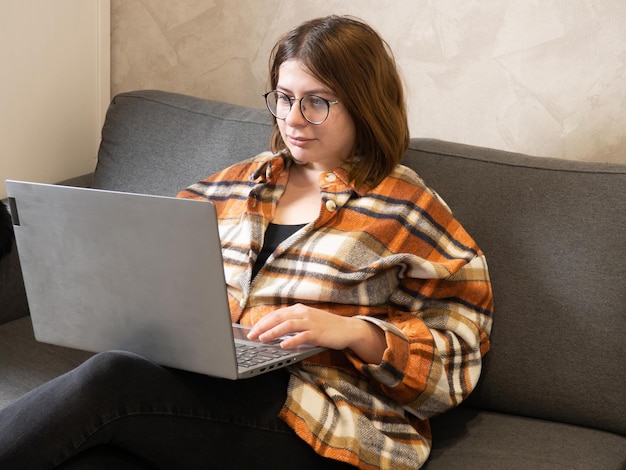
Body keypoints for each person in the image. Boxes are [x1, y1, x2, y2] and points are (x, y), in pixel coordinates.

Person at [0, 15, 493, 470]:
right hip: (208, 386)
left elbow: (459, 357)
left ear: (364, 104)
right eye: (283, 97)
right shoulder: (235, 184)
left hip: (320, 415)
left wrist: (353, 333)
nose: (293, 119)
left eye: (316, 101)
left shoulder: (408, 208)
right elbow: (154, 261)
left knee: (109, 380)